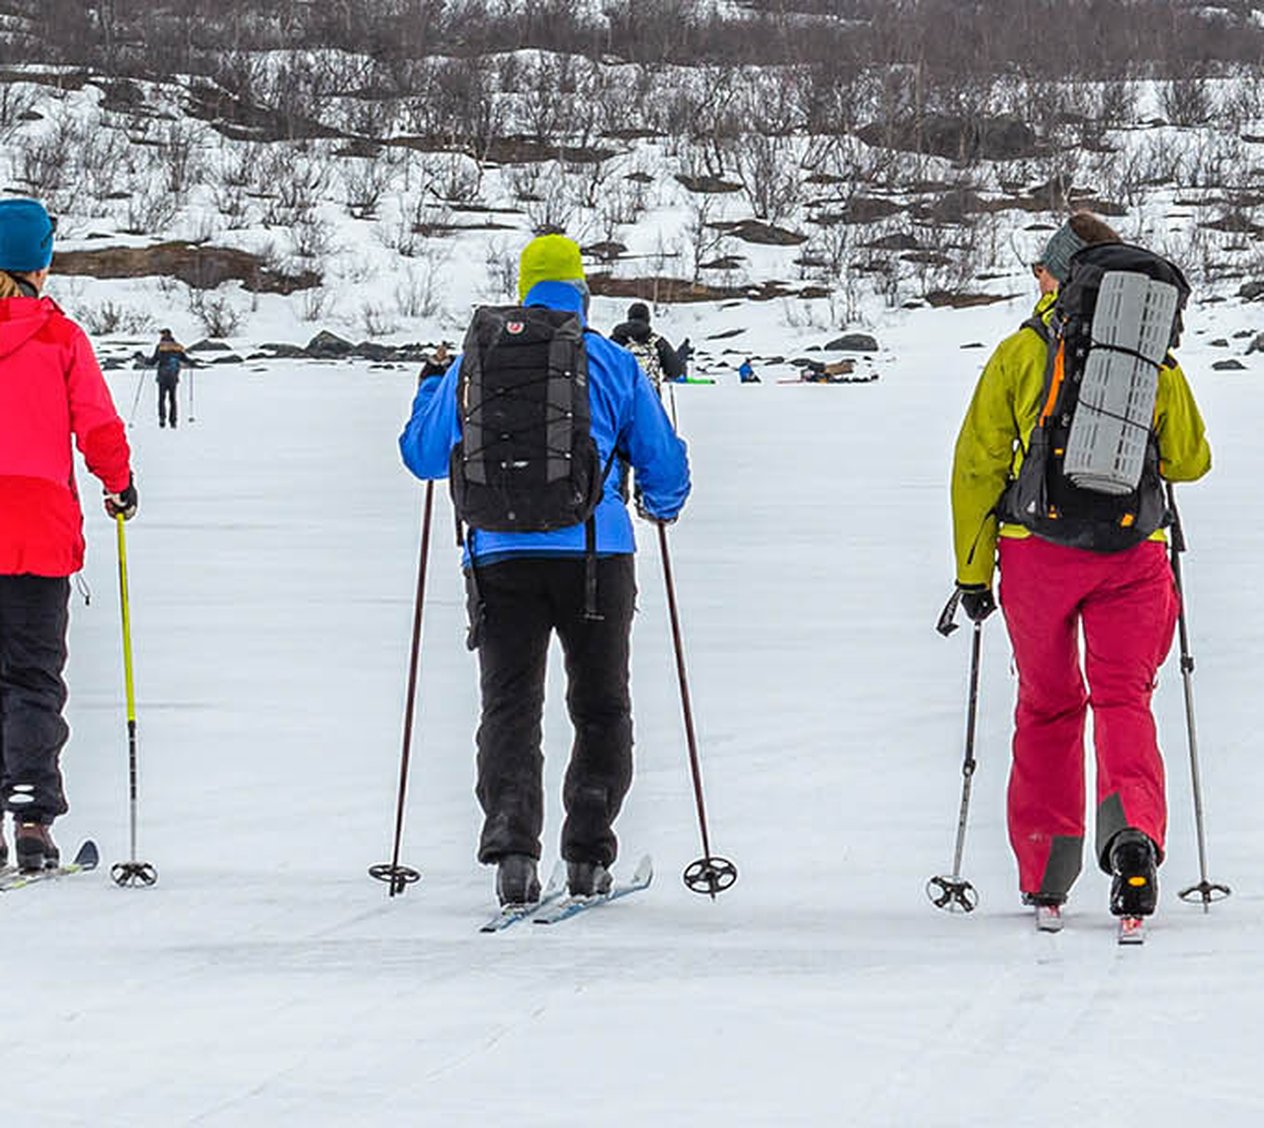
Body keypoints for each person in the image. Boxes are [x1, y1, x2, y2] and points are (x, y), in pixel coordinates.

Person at [399, 235, 690, 907]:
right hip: (596, 554)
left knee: (509, 705)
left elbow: (421, 454)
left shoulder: (477, 358)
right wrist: (663, 505)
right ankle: (587, 852)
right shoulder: (613, 361)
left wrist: (428, 391)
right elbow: (662, 465)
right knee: (599, 703)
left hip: (499, 555)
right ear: (582, 292)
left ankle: (512, 849)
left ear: (524, 289)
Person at [948, 211, 1211, 921]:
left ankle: (1046, 868)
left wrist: (973, 576)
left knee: (1047, 704)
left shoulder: (1022, 350)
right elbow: (1190, 458)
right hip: (1133, 555)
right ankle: (1133, 843)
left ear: (1061, 273)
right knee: (1124, 698)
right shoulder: (1149, 353)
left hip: (1037, 554)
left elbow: (977, 465)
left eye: (1042, 267)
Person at [0, 198, 137, 872]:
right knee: (32, 675)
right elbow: (99, 425)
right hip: (38, 532)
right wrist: (118, 484)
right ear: (41, 264)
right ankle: (30, 815)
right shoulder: (60, 337)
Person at [610, 301, 684, 391]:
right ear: (648, 319)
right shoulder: (657, 341)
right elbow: (675, 371)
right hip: (649, 397)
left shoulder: (614, 341)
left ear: (628, 318)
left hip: (621, 396)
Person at [148, 328, 186, 429]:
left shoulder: (160, 347)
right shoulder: (177, 347)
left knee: (162, 399)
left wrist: (143, 360)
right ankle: (173, 421)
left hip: (162, 376)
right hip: (174, 376)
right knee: (173, 399)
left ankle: (162, 419)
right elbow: (185, 359)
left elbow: (153, 361)